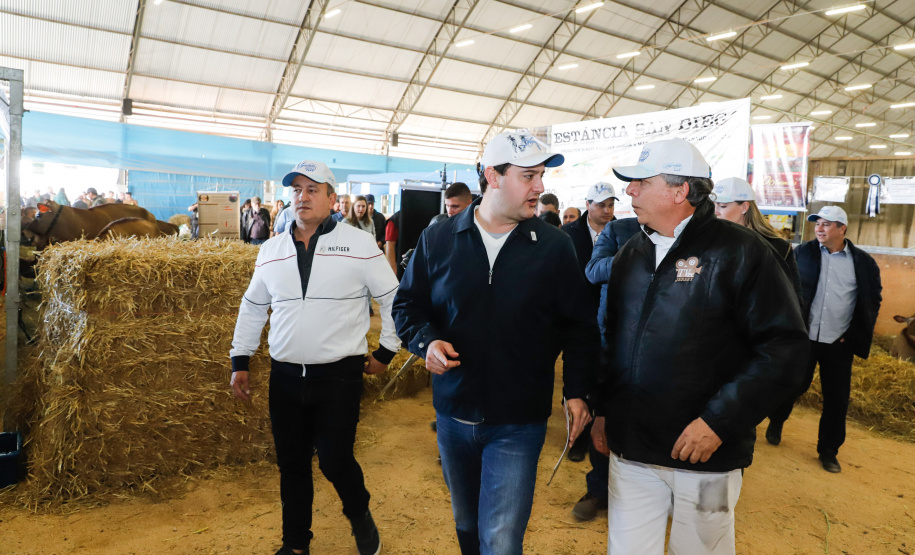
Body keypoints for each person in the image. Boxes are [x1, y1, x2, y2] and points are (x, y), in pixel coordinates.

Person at [592, 138, 808, 554]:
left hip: (709, 458)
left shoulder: (743, 253)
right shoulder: (629, 256)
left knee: (704, 549)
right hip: (632, 451)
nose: (629, 191)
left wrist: (720, 422)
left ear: (680, 191)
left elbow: (784, 349)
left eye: (640, 182)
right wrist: (605, 409)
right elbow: (611, 340)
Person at [392, 131, 599, 555]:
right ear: (493, 176)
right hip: (453, 414)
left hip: (518, 421)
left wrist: (577, 390)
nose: (540, 186)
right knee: (467, 524)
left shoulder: (555, 248)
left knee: (501, 540)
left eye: (540, 175)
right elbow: (407, 307)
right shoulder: (440, 239)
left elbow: (579, 326)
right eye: (528, 176)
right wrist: (427, 342)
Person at [230, 159, 399, 555]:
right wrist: (240, 359)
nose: (301, 197)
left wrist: (387, 351)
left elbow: (392, 298)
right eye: (296, 190)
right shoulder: (271, 250)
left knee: (335, 460)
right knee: (291, 463)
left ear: (332, 199)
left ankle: (359, 513)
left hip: (339, 376)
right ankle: (295, 544)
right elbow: (253, 306)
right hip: (286, 375)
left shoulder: (358, 245)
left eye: (312, 190)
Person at [766, 205, 882, 473]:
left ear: (842, 229)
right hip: (804, 338)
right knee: (794, 385)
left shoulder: (863, 262)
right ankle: (777, 419)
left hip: (838, 341)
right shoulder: (801, 254)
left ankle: (828, 450)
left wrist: (853, 335)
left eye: (827, 224)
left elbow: (872, 299)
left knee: (837, 398)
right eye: (817, 223)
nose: (819, 228)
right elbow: (785, 290)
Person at [713, 177, 801, 301]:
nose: (715, 212)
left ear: (744, 207)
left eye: (722, 206)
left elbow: (792, 299)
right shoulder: (710, 243)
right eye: (713, 205)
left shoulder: (778, 248)